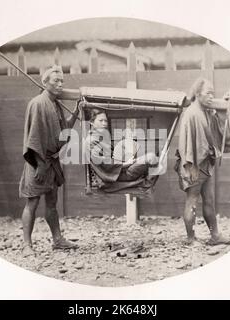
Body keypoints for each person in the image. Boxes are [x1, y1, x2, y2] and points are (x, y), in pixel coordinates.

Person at [19, 65, 79, 257]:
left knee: (52, 203)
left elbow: (64, 130)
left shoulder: (56, 104)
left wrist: (77, 111)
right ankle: (26, 245)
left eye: (62, 81)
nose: (60, 84)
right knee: (32, 203)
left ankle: (58, 240)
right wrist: (40, 165)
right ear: (45, 83)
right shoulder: (37, 103)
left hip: (52, 162)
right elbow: (33, 137)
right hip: (38, 162)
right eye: (56, 81)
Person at [175, 77, 230, 246]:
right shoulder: (191, 113)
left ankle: (215, 236)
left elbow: (218, 127)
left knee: (209, 200)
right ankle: (191, 239)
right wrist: (190, 166)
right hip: (193, 164)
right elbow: (185, 144)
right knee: (192, 200)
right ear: (198, 94)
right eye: (208, 93)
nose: (211, 97)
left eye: (212, 94)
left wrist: (225, 103)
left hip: (206, 164)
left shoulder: (206, 111)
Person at [84, 108, 158, 187]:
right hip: (115, 175)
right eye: (101, 120)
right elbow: (106, 164)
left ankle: (145, 178)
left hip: (118, 170)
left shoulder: (100, 137)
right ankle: (146, 183)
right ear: (91, 122)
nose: (104, 123)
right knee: (152, 157)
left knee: (151, 156)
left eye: (105, 121)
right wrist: (125, 164)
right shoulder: (92, 141)